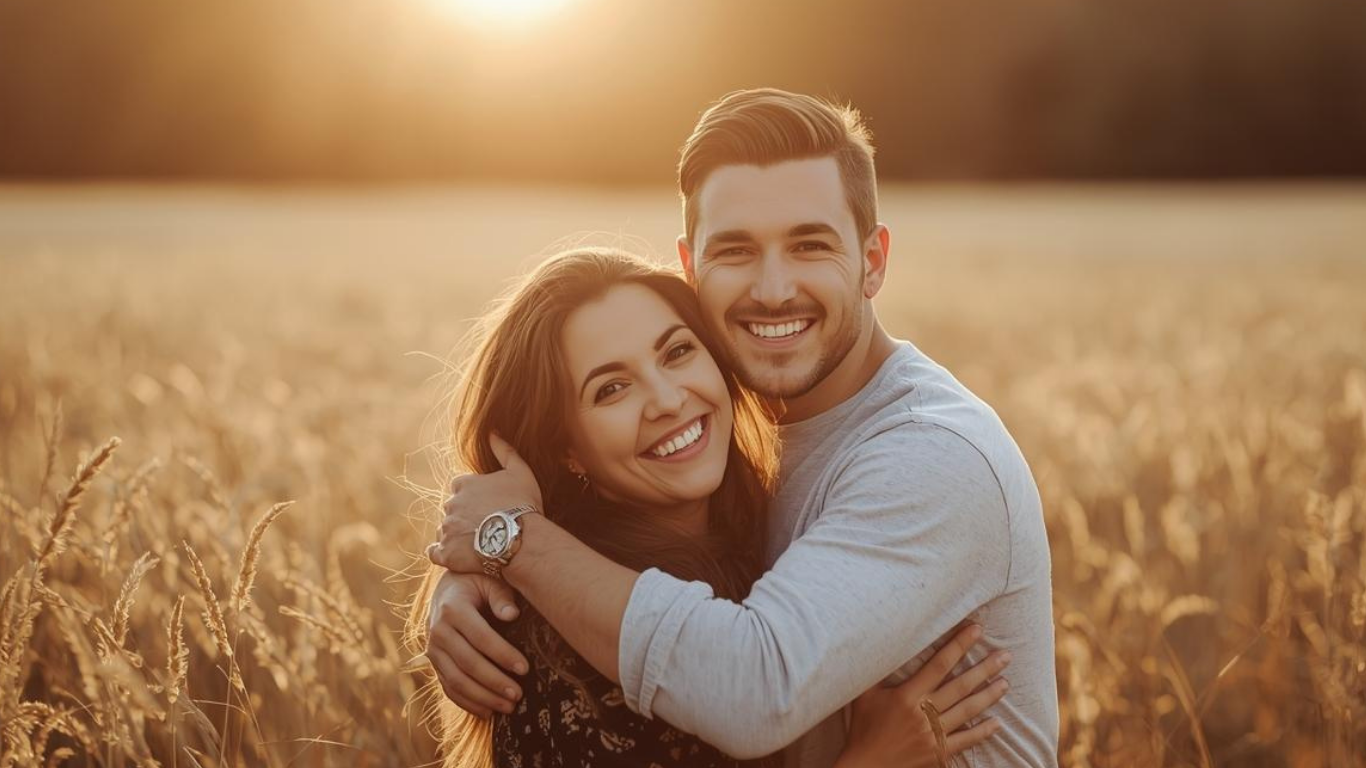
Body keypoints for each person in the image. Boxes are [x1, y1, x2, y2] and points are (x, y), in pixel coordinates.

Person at [426, 88, 1060, 766]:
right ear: (692, 268)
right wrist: (476, 579)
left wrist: (511, 544)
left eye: (809, 245)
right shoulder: (736, 445)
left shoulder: (933, 454)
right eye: (735, 251)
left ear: (873, 261)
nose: (772, 289)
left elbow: (756, 689)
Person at [408, 248, 1009, 767]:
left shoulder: (764, 527)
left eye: (676, 353)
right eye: (611, 389)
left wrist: (488, 554)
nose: (668, 399)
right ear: (566, 450)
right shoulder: (572, 652)